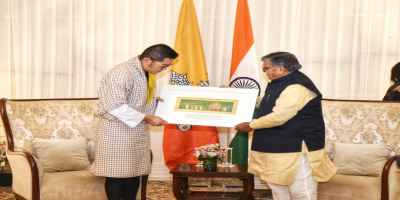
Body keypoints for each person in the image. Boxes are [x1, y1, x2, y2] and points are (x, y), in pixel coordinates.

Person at [235, 52, 337, 200]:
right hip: (276, 145)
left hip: (295, 147)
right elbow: (269, 102)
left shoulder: (297, 87)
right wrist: (239, 95)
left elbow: (279, 116)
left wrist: (251, 125)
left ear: (280, 69)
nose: (265, 72)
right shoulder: (282, 82)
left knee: (300, 191)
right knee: (278, 188)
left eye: (266, 69)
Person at [90, 44, 178, 200]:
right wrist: (149, 117)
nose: (165, 69)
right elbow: (115, 106)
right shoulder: (122, 73)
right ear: (147, 60)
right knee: (116, 175)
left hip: (136, 132)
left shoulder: (145, 71)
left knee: (134, 174)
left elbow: (133, 98)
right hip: (116, 131)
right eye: (164, 65)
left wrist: (151, 102)